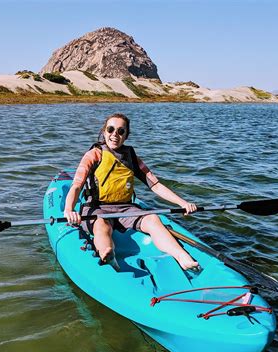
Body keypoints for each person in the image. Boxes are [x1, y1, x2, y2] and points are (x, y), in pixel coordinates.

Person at [64, 113, 199, 271]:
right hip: (96, 208)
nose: (115, 134)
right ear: (104, 131)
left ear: (126, 135)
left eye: (121, 131)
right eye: (111, 129)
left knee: (152, 219)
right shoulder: (94, 154)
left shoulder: (132, 158)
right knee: (101, 225)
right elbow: (77, 185)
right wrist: (69, 209)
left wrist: (182, 203)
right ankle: (108, 253)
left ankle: (182, 256)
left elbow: (155, 185)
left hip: (126, 209)